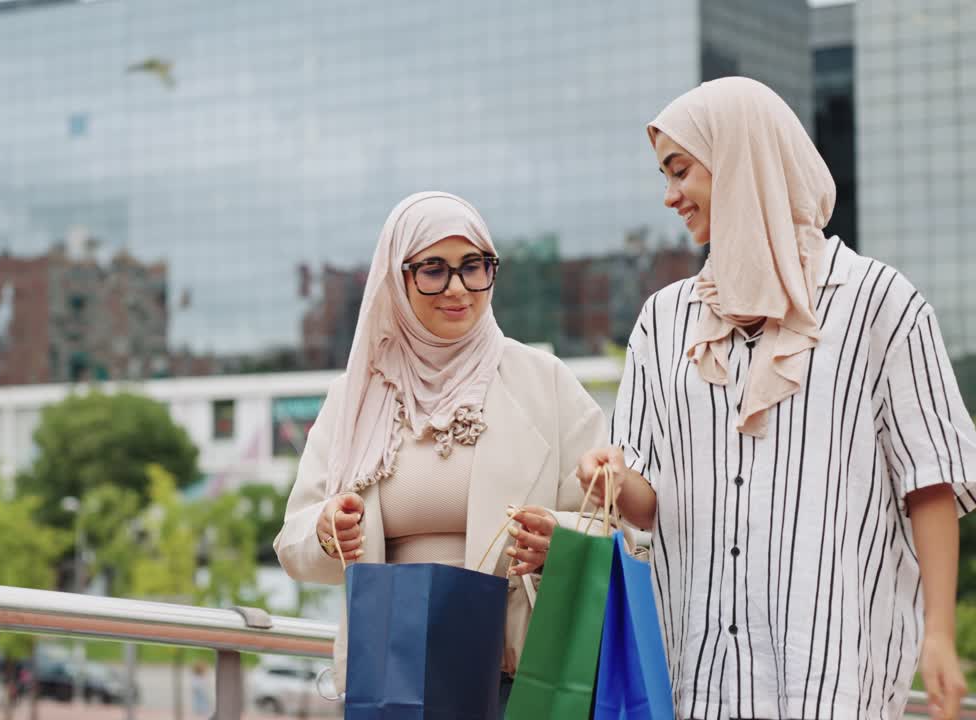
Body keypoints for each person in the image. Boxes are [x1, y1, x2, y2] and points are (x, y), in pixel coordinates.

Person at [577, 76, 976, 720]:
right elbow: (648, 507)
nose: (669, 195)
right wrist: (614, 475)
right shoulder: (663, 321)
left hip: (834, 672)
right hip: (695, 674)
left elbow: (929, 481)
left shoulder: (879, 303)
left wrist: (937, 632)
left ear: (742, 160)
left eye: (681, 171)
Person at [274, 191, 608, 712]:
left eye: (473, 267)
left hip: (517, 681)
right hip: (392, 680)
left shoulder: (546, 384)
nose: (457, 288)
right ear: (397, 277)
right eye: (433, 270)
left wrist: (557, 542)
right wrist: (324, 530)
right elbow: (293, 544)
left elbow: (613, 526)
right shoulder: (358, 393)